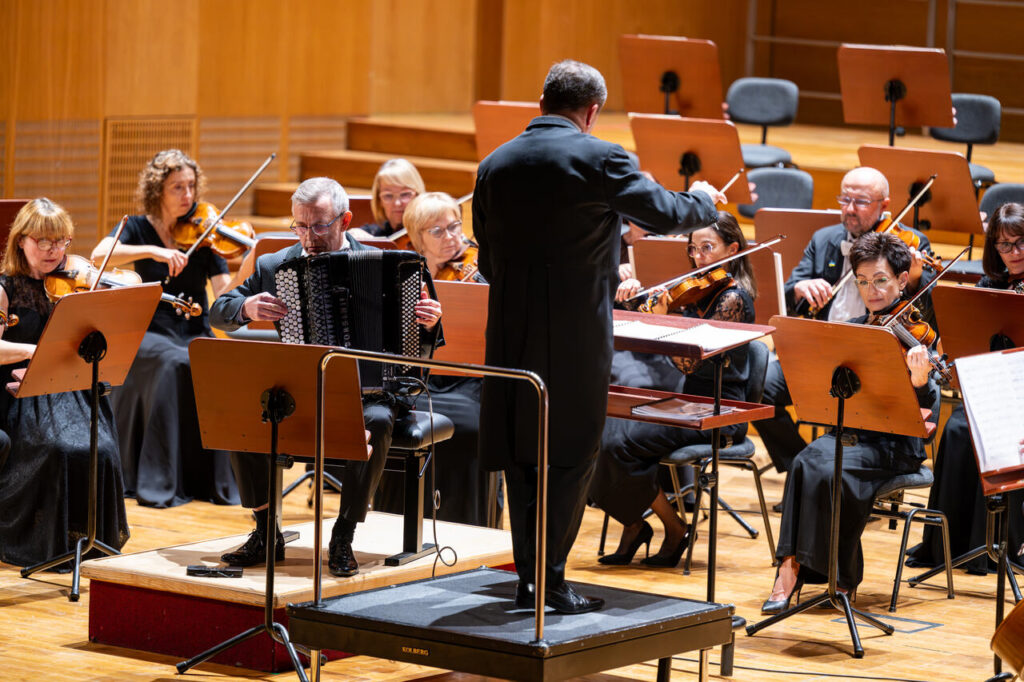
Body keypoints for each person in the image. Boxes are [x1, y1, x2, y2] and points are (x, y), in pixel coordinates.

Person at [473, 59, 724, 614]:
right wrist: (704, 198)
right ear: (591, 112)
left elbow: (487, 258)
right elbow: (665, 213)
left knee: (523, 458)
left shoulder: (495, 164)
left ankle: (529, 579)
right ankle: (553, 581)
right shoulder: (601, 156)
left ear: (542, 101)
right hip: (575, 339)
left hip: (509, 336)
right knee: (569, 456)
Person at [209, 176, 443, 577]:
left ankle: (343, 535)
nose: (308, 237)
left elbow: (425, 341)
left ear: (345, 220)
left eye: (318, 225)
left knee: (379, 420)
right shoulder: (273, 265)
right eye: (299, 226)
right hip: (301, 389)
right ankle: (267, 532)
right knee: (242, 419)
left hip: (372, 393)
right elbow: (219, 311)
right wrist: (246, 307)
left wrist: (429, 322)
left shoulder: (393, 268)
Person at [762, 232, 938, 613]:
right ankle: (790, 569)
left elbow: (930, 408)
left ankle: (836, 578)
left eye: (880, 280)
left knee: (832, 471)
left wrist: (921, 381)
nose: (870, 291)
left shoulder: (916, 336)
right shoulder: (855, 327)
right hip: (850, 433)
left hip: (894, 446)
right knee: (806, 462)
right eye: (862, 281)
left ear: (902, 281)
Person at [592, 212, 756, 567]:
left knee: (622, 443)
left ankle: (674, 527)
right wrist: (638, 303)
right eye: (693, 249)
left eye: (708, 248)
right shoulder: (697, 292)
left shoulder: (733, 300)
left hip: (719, 409)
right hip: (688, 401)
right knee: (599, 432)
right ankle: (635, 524)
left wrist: (666, 319)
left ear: (733, 249)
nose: (698, 258)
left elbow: (689, 363)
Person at [754, 167, 936, 475]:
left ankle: (833, 475)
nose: (850, 209)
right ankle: (801, 466)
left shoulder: (913, 242)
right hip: (822, 352)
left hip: (876, 361)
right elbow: (787, 293)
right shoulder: (824, 239)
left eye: (861, 201)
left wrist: (917, 278)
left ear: (885, 204)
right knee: (758, 388)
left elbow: (928, 315)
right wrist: (801, 287)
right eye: (845, 199)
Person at [90, 149, 239, 508]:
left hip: (193, 331)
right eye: (177, 187)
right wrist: (156, 254)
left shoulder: (205, 236)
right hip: (147, 334)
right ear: (158, 190)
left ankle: (213, 479)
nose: (187, 195)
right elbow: (99, 254)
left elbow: (224, 296)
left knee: (217, 360)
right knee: (175, 362)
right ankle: (162, 477)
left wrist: (246, 261)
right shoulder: (140, 228)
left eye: (191, 186)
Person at [0, 198, 129, 568]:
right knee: (60, 450)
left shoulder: (75, 284)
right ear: (20, 241)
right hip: (21, 393)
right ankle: (49, 545)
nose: (53, 251)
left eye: (60, 242)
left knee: (101, 449)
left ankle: (89, 541)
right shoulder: (6, 288)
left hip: (71, 390)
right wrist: (36, 353)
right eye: (42, 241)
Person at [908, 202, 1024, 572]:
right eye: (1005, 246)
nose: (1014, 253)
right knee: (958, 429)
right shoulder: (989, 285)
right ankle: (948, 543)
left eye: (1021, 243)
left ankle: (1000, 544)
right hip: (993, 387)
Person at [372, 192, 493, 526]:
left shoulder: (481, 275)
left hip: (468, 382)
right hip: (418, 381)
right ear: (417, 239)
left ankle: (468, 527)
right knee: (389, 421)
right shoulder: (406, 279)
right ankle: (392, 525)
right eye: (437, 231)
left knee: (469, 426)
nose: (451, 237)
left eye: (454, 226)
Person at [348, 158, 425, 239]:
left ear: (417, 195)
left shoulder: (429, 234)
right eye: (388, 196)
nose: (397, 203)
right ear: (379, 201)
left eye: (405, 194)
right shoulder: (374, 232)